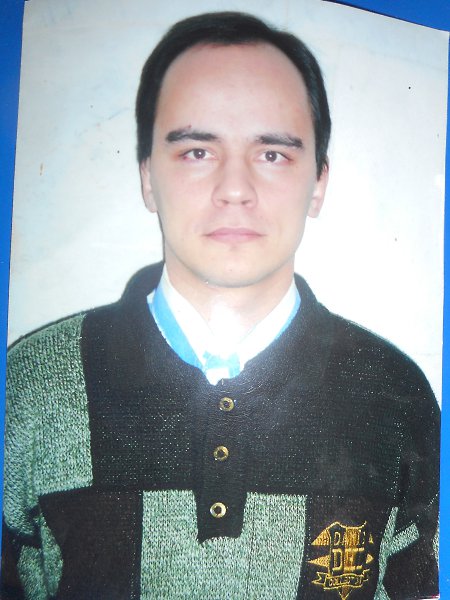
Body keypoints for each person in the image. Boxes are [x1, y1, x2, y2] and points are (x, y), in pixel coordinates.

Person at [1, 11, 439, 600]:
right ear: (148, 177)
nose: (235, 189)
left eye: (273, 154)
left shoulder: (396, 396)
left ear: (318, 183)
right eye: (197, 152)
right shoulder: (30, 385)